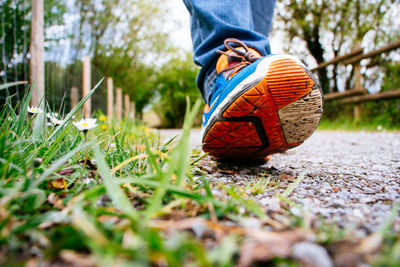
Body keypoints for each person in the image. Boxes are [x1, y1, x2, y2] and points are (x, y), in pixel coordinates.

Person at [183, 0, 323, 160]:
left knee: (259, 8)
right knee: (233, 39)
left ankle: (249, 81)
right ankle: (226, 68)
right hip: (224, 52)